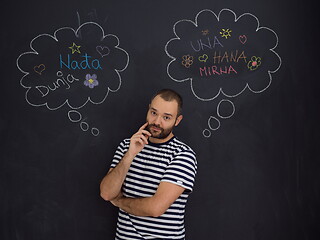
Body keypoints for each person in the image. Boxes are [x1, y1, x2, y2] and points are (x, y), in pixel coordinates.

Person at [100, 89, 197, 240]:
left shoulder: (182, 155)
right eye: (153, 113)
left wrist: (118, 201)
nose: (157, 122)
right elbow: (106, 193)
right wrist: (130, 155)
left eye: (166, 117)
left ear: (177, 120)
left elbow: (155, 208)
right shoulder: (127, 146)